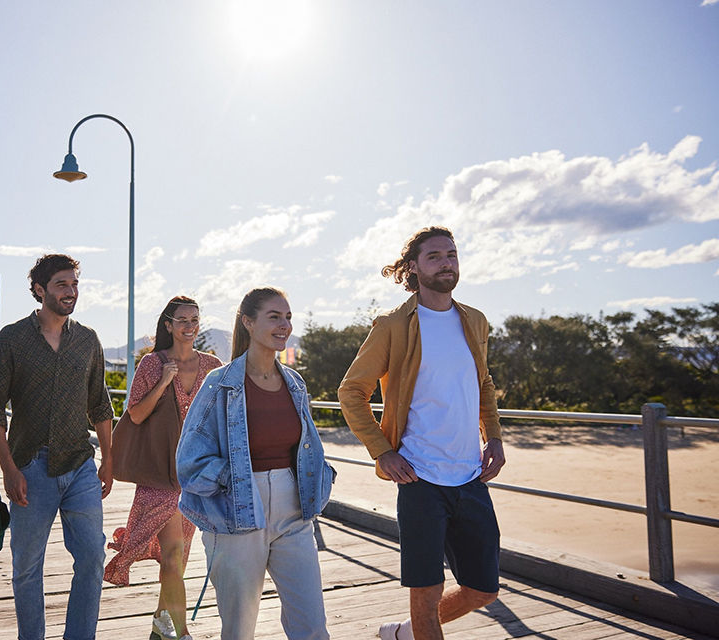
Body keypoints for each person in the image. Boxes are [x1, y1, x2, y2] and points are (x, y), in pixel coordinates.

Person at [338, 226, 506, 640]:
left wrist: (495, 437)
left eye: (452, 254)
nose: (447, 262)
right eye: (434, 256)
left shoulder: (475, 320)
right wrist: (382, 451)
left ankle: (404, 633)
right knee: (427, 592)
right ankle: (418, 627)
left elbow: (482, 382)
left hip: (470, 475)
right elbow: (351, 391)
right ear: (413, 267)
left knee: (483, 590)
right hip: (419, 477)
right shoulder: (393, 325)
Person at [177, 287, 335, 640]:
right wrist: (233, 479)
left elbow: (309, 450)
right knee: (239, 629)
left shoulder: (295, 383)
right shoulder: (219, 384)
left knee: (311, 624)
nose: (284, 325)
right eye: (274, 317)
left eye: (288, 317)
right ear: (248, 322)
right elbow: (189, 462)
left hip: (294, 510)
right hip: (236, 515)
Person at [0, 254, 115, 640]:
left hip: (80, 466)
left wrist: (109, 461)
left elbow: (100, 403)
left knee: (92, 556)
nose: (70, 291)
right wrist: (9, 470)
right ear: (40, 290)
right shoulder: (11, 339)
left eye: (74, 284)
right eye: (61, 284)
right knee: (26, 565)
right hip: (30, 468)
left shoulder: (87, 339)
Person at [104, 296, 222, 640]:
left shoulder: (213, 365)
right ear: (168, 325)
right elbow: (136, 415)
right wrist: (162, 383)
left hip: (195, 475)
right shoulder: (152, 364)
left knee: (178, 561)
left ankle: (160, 627)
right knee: (172, 555)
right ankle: (182, 631)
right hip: (159, 476)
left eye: (195, 320)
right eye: (182, 320)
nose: (189, 326)